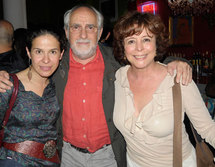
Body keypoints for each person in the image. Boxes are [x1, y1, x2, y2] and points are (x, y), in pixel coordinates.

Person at [0, 5, 192, 167]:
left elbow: (149, 58)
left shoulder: (118, 59)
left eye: (90, 27)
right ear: (67, 32)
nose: (83, 34)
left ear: (100, 32)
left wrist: (177, 62)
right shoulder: (53, 62)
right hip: (67, 156)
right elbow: (27, 69)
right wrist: (3, 75)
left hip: (109, 156)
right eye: (76, 27)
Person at [113, 11, 215, 167]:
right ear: (123, 47)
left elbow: (208, 128)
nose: (139, 48)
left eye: (146, 39)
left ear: (156, 44)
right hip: (133, 163)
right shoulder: (119, 78)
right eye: (131, 41)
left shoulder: (179, 80)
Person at [0, 28, 66, 167]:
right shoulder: (8, 85)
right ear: (29, 52)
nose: (46, 60)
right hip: (15, 161)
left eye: (53, 52)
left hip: (52, 161)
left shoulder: (57, 85)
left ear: (61, 54)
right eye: (38, 51)